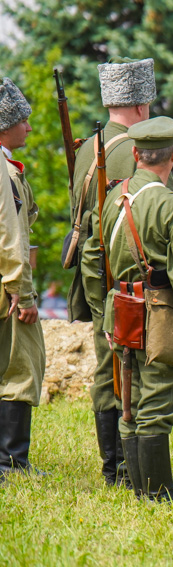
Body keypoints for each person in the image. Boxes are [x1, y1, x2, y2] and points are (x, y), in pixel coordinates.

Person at [81, 116, 173, 503]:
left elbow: (93, 258)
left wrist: (104, 311)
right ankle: (157, 494)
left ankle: (140, 488)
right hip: (160, 312)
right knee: (158, 399)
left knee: (130, 401)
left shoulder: (113, 199)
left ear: (136, 154)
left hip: (120, 308)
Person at [68, 57, 156, 488]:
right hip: (118, 278)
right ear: (141, 106)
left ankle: (115, 466)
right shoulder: (129, 152)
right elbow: (134, 221)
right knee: (124, 369)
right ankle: (121, 467)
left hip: (93, 275)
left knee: (109, 368)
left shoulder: (92, 144)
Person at [0, 78, 46, 479]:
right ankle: (12, 463)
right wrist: (24, 295)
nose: (29, 128)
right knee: (20, 369)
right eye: (22, 120)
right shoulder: (5, 173)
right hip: (6, 289)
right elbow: (11, 236)